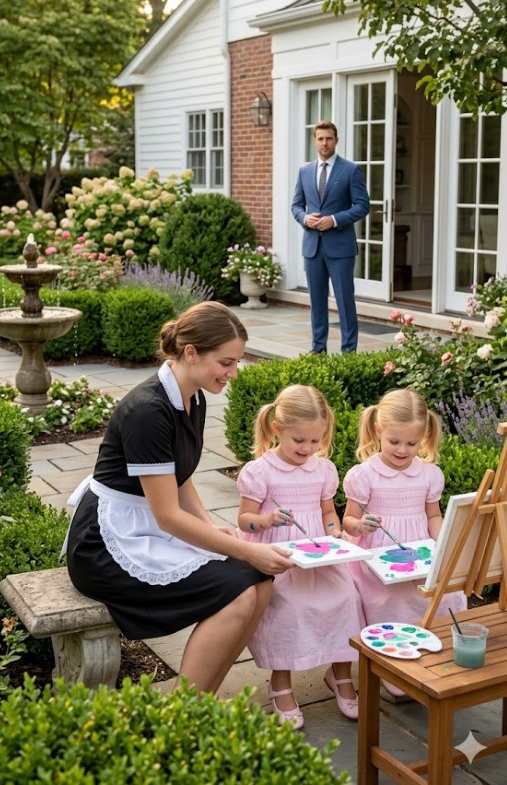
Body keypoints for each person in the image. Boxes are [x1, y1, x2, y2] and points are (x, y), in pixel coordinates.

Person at [66, 301, 294, 694]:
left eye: (236, 362)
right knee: (239, 591)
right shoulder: (148, 411)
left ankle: (199, 701)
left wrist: (210, 527)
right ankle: (183, 716)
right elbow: (169, 516)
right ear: (191, 353)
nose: (234, 373)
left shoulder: (194, 397)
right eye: (226, 362)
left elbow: (180, 477)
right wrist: (244, 550)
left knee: (260, 583)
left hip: (146, 523)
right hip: (107, 542)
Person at [237, 385, 364, 728]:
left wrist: (334, 531)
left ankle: (340, 673)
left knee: (346, 597)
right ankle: (280, 682)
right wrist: (265, 520)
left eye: (315, 441)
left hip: (317, 551)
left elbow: (327, 512)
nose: (307, 449)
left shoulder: (322, 470)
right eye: (299, 441)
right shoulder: (261, 471)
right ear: (277, 429)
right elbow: (244, 519)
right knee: (288, 607)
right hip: (278, 553)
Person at [342, 388, 467, 697]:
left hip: (417, 549)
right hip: (377, 556)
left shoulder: (428, 475)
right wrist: (360, 525)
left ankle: (425, 649)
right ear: (377, 431)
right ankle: (392, 660)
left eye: (412, 443)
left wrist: (442, 546)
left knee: (442, 596)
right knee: (390, 601)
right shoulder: (365, 475)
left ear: (423, 437)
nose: (402, 450)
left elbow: (433, 516)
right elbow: (348, 520)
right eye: (394, 442)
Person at [291, 120, 370, 354]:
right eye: (320, 138)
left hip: (341, 248)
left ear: (336, 140)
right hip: (312, 247)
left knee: (345, 302)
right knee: (317, 302)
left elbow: (363, 206)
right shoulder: (304, 171)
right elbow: (296, 205)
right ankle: (318, 349)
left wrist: (333, 220)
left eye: (329, 138)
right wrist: (305, 218)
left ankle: (349, 352)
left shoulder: (350, 170)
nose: (324, 143)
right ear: (314, 141)